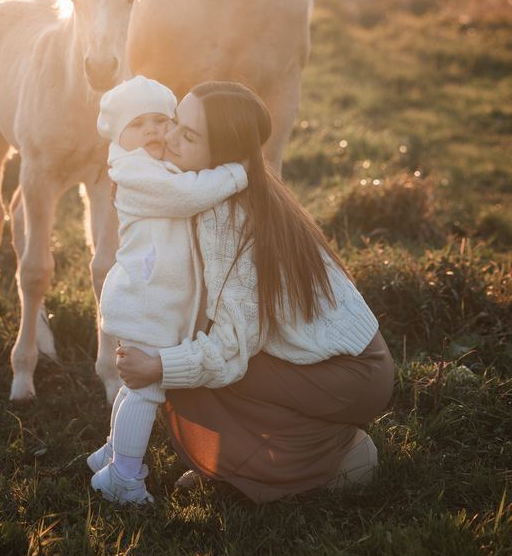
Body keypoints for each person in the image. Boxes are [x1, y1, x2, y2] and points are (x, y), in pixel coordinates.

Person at [115, 81, 395, 503]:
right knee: (193, 358)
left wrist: (159, 366)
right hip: (337, 362)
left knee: (194, 373)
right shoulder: (230, 185)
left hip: (352, 375)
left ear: (222, 156)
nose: (167, 137)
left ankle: (334, 460)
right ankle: (256, 462)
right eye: (176, 122)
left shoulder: (226, 217)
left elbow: (231, 348)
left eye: (188, 136)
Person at [89, 75, 248, 504]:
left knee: (133, 386)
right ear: (119, 134)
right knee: (146, 390)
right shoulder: (134, 171)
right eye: (139, 124)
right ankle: (122, 477)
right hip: (146, 300)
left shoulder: (149, 165)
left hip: (152, 298)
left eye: (162, 121)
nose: (154, 132)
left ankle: (110, 450)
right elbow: (184, 196)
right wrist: (234, 173)